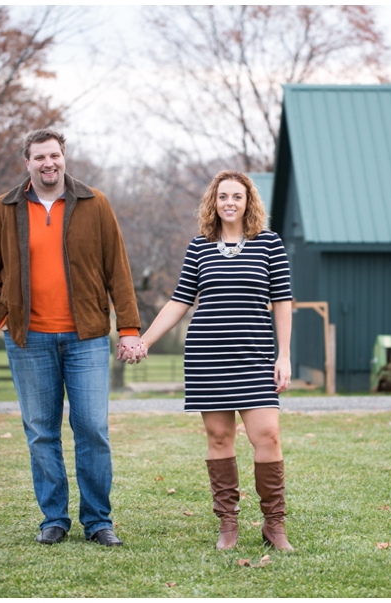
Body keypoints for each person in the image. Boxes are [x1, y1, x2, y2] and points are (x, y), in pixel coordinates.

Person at [0, 129, 141, 547]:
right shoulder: (4, 208)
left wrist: (130, 328)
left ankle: (99, 520)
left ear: (64, 157)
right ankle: (54, 519)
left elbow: (117, 268)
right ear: (26, 163)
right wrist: (2, 316)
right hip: (30, 341)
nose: (48, 163)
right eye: (39, 157)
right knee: (41, 431)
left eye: (54, 155)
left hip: (86, 338)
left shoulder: (94, 204)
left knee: (92, 428)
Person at [125, 170, 294, 551]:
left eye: (237, 196)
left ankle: (274, 525)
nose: (229, 203)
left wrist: (283, 355)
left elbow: (282, 301)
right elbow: (179, 301)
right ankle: (228, 524)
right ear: (213, 203)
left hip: (253, 356)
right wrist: (144, 340)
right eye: (223, 197)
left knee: (267, 436)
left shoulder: (269, 244)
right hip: (208, 357)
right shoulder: (199, 247)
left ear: (249, 201)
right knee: (219, 438)